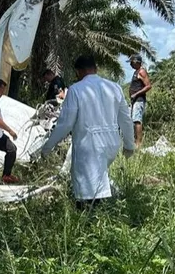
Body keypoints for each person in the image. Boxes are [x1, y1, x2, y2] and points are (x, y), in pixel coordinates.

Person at [40, 55, 135, 209]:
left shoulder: (76, 90)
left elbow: (65, 124)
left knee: (87, 190)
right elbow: (125, 119)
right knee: (98, 179)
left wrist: (47, 147)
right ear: (95, 69)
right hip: (111, 144)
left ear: (79, 71)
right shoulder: (114, 87)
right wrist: (129, 145)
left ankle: (90, 218)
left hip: (89, 145)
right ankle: (101, 210)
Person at [128, 54, 152, 149]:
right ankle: (134, 140)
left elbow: (148, 86)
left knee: (137, 120)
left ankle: (139, 143)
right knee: (131, 120)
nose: (130, 64)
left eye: (132, 62)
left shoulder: (142, 71)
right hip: (134, 100)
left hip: (139, 100)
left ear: (136, 62)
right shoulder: (136, 72)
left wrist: (136, 94)